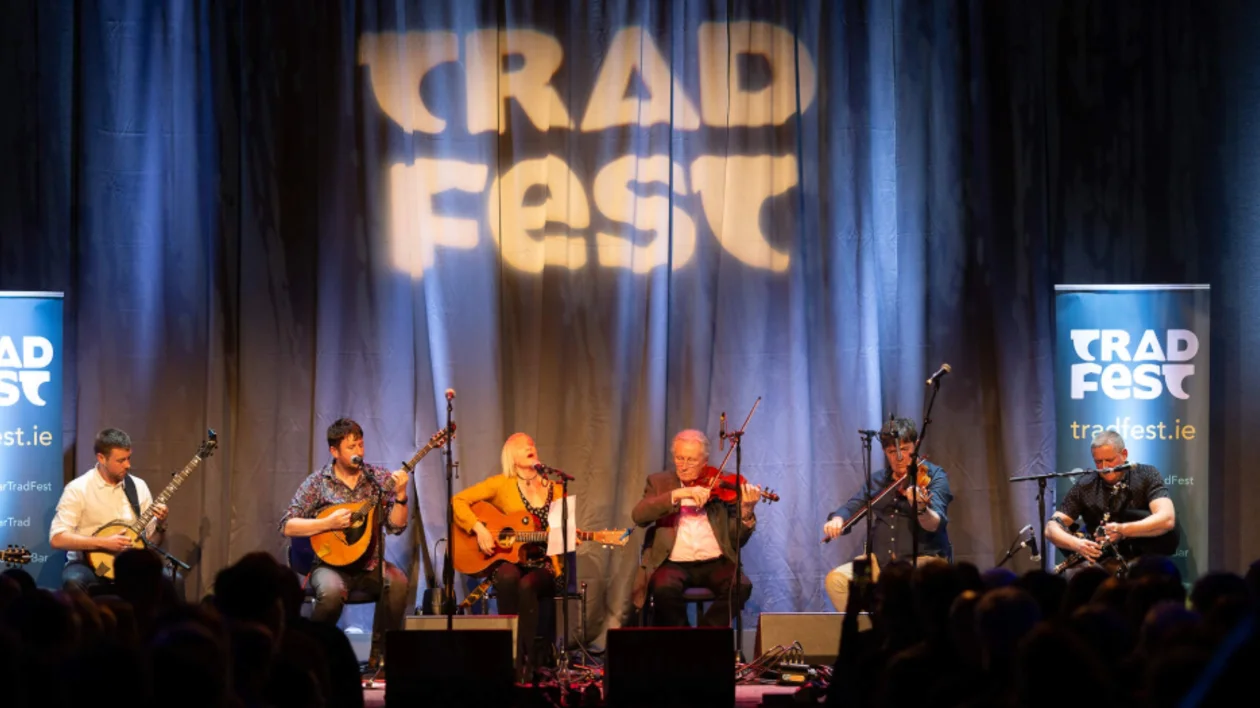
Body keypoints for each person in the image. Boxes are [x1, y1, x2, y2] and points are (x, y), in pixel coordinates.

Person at [279, 418, 410, 673]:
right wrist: (326, 523)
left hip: (369, 564)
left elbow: (396, 527)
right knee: (330, 593)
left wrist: (402, 496)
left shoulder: (378, 480)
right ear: (334, 451)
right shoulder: (318, 483)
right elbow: (287, 525)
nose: (358, 452)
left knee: (398, 583)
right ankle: (312, 656)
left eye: (360, 445)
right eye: (351, 447)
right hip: (329, 565)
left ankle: (380, 658)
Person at [452, 432, 563, 682]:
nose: (530, 446)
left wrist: (568, 535)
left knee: (528, 585)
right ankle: (509, 657)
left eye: (533, 444)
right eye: (524, 445)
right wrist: (478, 528)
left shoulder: (554, 488)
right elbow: (458, 501)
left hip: (542, 564)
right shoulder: (501, 484)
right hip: (511, 559)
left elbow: (563, 531)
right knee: (506, 576)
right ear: (511, 455)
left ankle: (531, 660)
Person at [822, 416, 953, 612]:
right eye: (892, 452)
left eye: (906, 449)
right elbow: (853, 505)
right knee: (837, 580)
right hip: (879, 563)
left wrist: (921, 508)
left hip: (923, 561)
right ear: (885, 451)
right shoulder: (877, 481)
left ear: (916, 445)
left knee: (907, 592)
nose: (899, 457)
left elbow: (935, 523)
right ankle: (872, 632)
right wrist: (838, 519)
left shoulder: (934, 476)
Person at [632, 429, 760, 628]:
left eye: (691, 460)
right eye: (679, 458)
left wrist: (746, 512)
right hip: (673, 562)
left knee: (741, 586)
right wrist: (678, 494)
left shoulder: (722, 484)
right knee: (663, 589)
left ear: (704, 461)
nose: (683, 466)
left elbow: (737, 540)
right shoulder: (659, 482)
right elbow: (639, 516)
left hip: (715, 561)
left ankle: (702, 640)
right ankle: (688, 644)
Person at [50, 428, 168, 591]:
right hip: (88, 565)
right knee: (74, 581)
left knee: (172, 580)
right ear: (101, 458)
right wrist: (104, 543)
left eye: (129, 458)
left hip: (129, 565)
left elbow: (151, 543)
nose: (128, 465)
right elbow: (57, 539)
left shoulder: (138, 487)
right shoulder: (78, 488)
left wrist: (160, 524)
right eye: (121, 460)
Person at [1045, 430, 1176, 575]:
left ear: (1124, 454)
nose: (1104, 467)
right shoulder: (1085, 484)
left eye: (1109, 460)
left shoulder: (1146, 474)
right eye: (1098, 462)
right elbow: (1051, 527)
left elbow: (1167, 519)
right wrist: (1077, 545)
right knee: (1076, 574)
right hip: (1103, 563)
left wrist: (1122, 530)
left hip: (1143, 558)